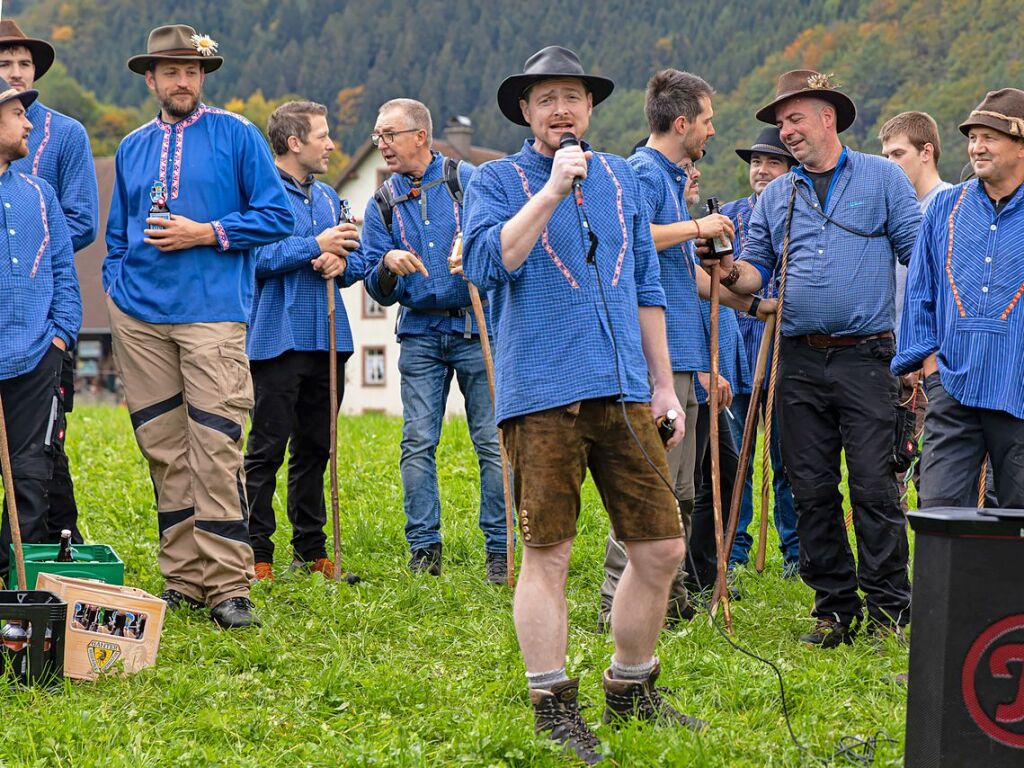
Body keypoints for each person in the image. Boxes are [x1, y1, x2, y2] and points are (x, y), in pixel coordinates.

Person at [463, 46, 704, 765]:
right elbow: (486, 265)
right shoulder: (496, 179)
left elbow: (647, 287)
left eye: (572, 96)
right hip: (542, 393)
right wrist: (550, 193)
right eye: (545, 100)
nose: (560, 109)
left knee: (661, 547)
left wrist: (663, 384)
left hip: (626, 389)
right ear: (526, 113)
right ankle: (551, 705)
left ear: (591, 107)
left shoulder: (625, 179)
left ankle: (630, 687)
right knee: (550, 554)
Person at [703, 70, 920, 647]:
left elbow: (919, 258)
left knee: (875, 485)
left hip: (869, 356)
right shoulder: (777, 196)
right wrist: (723, 268)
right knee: (809, 486)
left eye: (795, 119)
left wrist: (925, 348)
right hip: (796, 360)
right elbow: (750, 276)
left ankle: (890, 610)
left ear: (829, 116)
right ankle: (835, 609)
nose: (787, 131)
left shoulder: (883, 180)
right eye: (781, 123)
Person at [103, 24, 293, 628]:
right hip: (140, 318)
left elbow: (277, 215)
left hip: (212, 315)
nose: (181, 80)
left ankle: (228, 585)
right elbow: (116, 236)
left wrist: (205, 233)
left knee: (215, 444)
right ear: (152, 79)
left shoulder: (237, 135)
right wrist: (118, 290)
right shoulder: (133, 146)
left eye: (191, 70)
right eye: (170, 71)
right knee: (163, 448)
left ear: (202, 76)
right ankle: (182, 578)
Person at [598, 69, 772, 630]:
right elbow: (629, 237)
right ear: (680, 123)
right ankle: (613, 603)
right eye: (707, 120)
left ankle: (665, 597)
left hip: (687, 355)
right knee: (652, 486)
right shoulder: (641, 173)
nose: (712, 131)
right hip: (657, 359)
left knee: (684, 491)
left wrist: (752, 307)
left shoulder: (674, 178)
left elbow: (682, 272)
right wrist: (697, 224)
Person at [361, 98, 507, 583]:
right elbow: (372, 284)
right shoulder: (381, 202)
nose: (380, 145)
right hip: (420, 332)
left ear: (420, 136)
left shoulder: (469, 182)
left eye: (389, 135)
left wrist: (478, 253)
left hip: (474, 326)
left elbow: (502, 245)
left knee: (491, 441)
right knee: (418, 443)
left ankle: (499, 553)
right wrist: (386, 265)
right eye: (378, 136)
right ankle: (424, 552)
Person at [244, 101, 365, 582]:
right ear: (294, 143)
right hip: (276, 339)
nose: (331, 144)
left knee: (316, 448)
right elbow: (255, 258)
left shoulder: (332, 198)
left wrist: (342, 262)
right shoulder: (261, 194)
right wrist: (315, 247)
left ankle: (311, 550)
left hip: (329, 338)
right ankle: (257, 553)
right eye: (323, 135)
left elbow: (358, 259)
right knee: (267, 448)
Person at [893, 88, 1024, 509]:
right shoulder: (944, 208)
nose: (976, 147)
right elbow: (921, 292)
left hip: (1018, 385)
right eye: (972, 137)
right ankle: (944, 581)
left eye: (990, 137)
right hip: (952, 383)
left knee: (1017, 512)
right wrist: (929, 363)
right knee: (939, 507)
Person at [1, 19, 99, 545]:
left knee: (43, 445)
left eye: (23, 64)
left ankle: (50, 547)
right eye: (4, 65)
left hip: (40, 328)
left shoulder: (65, 135)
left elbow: (78, 222)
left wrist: (58, 325)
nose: (16, 73)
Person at [0, 77, 81, 585]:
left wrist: (60, 337)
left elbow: (63, 275)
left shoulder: (40, 193)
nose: (30, 122)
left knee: (31, 475)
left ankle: (16, 594)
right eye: (16, 114)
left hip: (35, 358)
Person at [719, 127, 799, 575]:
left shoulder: (803, 217)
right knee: (739, 459)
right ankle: (734, 550)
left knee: (790, 460)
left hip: (787, 357)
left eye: (773, 163)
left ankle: (795, 552)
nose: (762, 171)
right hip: (740, 354)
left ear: (791, 171)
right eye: (756, 163)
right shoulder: (728, 218)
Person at [879, 111, 954, 507]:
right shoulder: (896, 211)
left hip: (933, 361)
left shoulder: (951, 207)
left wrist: (925, 353)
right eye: (885, 156)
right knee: (893, 462)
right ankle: (900, 565)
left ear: (926, 152)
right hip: (895, 353)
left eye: (898, 154)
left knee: (936, 470)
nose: (890, 165)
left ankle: (937, 563)